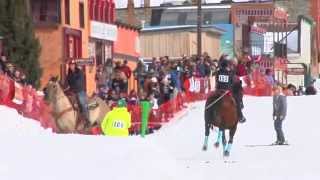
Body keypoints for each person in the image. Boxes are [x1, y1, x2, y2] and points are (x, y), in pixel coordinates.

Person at [66, 60, 90, 126]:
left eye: (73, 65)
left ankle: (87, 120)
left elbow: (78, 83)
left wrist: (72, 86)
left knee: (83, 104)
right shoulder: (69, 73)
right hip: (73, 92)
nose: (71, 66)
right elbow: (68, 82)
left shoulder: (79, 72)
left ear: (75, 65)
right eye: (70, 65)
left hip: (80, 91)